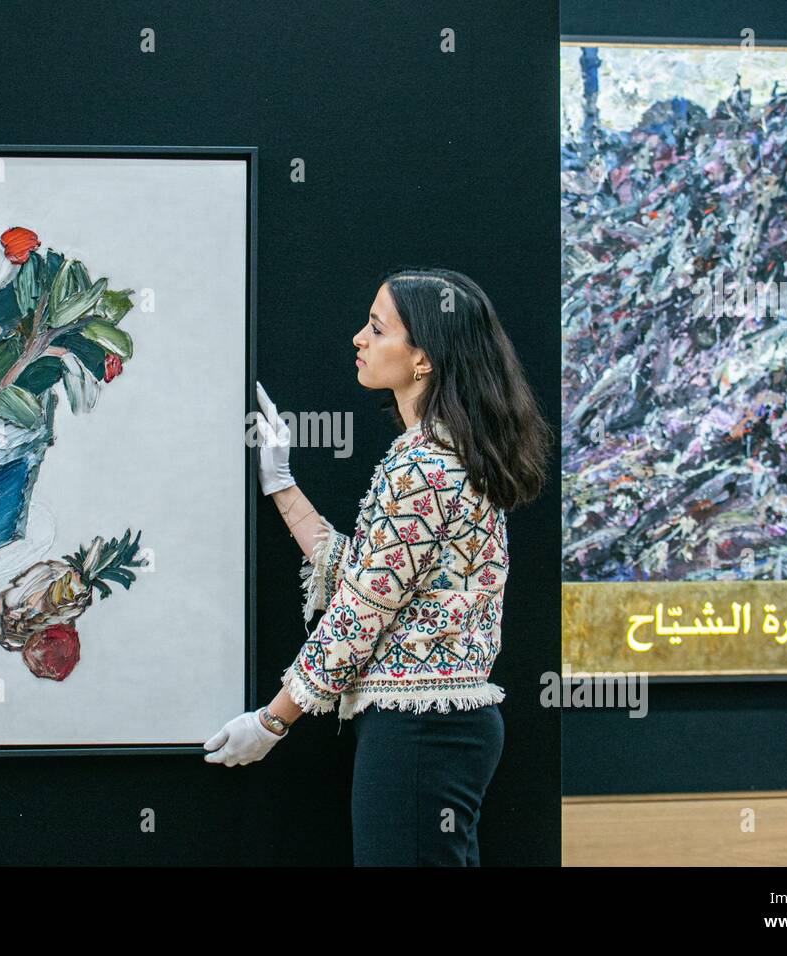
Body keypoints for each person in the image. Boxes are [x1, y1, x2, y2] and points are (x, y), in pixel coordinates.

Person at [204, 267, 551, 866]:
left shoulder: (422, 466)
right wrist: (281, 482)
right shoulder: (449, 454)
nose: (359, 339)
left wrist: (272, 721)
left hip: (419, 736)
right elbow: (367, 575)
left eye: (377, 328)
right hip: (442, 732)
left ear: (424, 360)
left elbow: (358, 614)